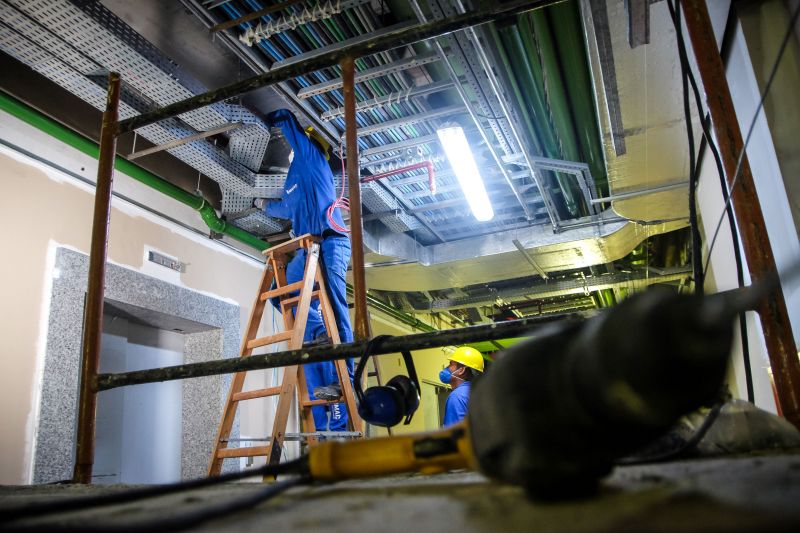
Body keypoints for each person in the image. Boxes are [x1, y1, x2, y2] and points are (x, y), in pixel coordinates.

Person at [256, 108, 353, 432]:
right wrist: (262, 205)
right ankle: (316, 332)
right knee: (279, 296)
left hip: (329, 244)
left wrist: (280, 117)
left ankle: (346, 381)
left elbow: (297, 133)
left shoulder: (313, 161)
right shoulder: (294, 179)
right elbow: (285, 205)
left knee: (337, 312)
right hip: (305, 250)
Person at [440, 346, 484, 426]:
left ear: (461, 370)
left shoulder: (457, 396)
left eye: (451, 364)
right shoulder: (481, 393)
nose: (447, 367)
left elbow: (456, 436)